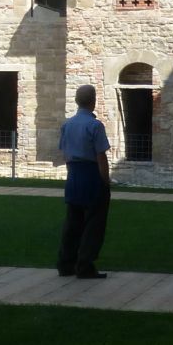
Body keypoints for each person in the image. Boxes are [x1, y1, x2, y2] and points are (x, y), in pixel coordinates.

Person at [57, 83, 111, 279]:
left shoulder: (67, 124)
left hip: (73, 175)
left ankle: (65, 264)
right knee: (93, 224)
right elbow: (101, 156)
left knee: (72, 222)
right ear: (93, 101)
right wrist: (105, 181)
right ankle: (85, 265)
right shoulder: (95, 126)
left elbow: (65, 153)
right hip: (91, 175)